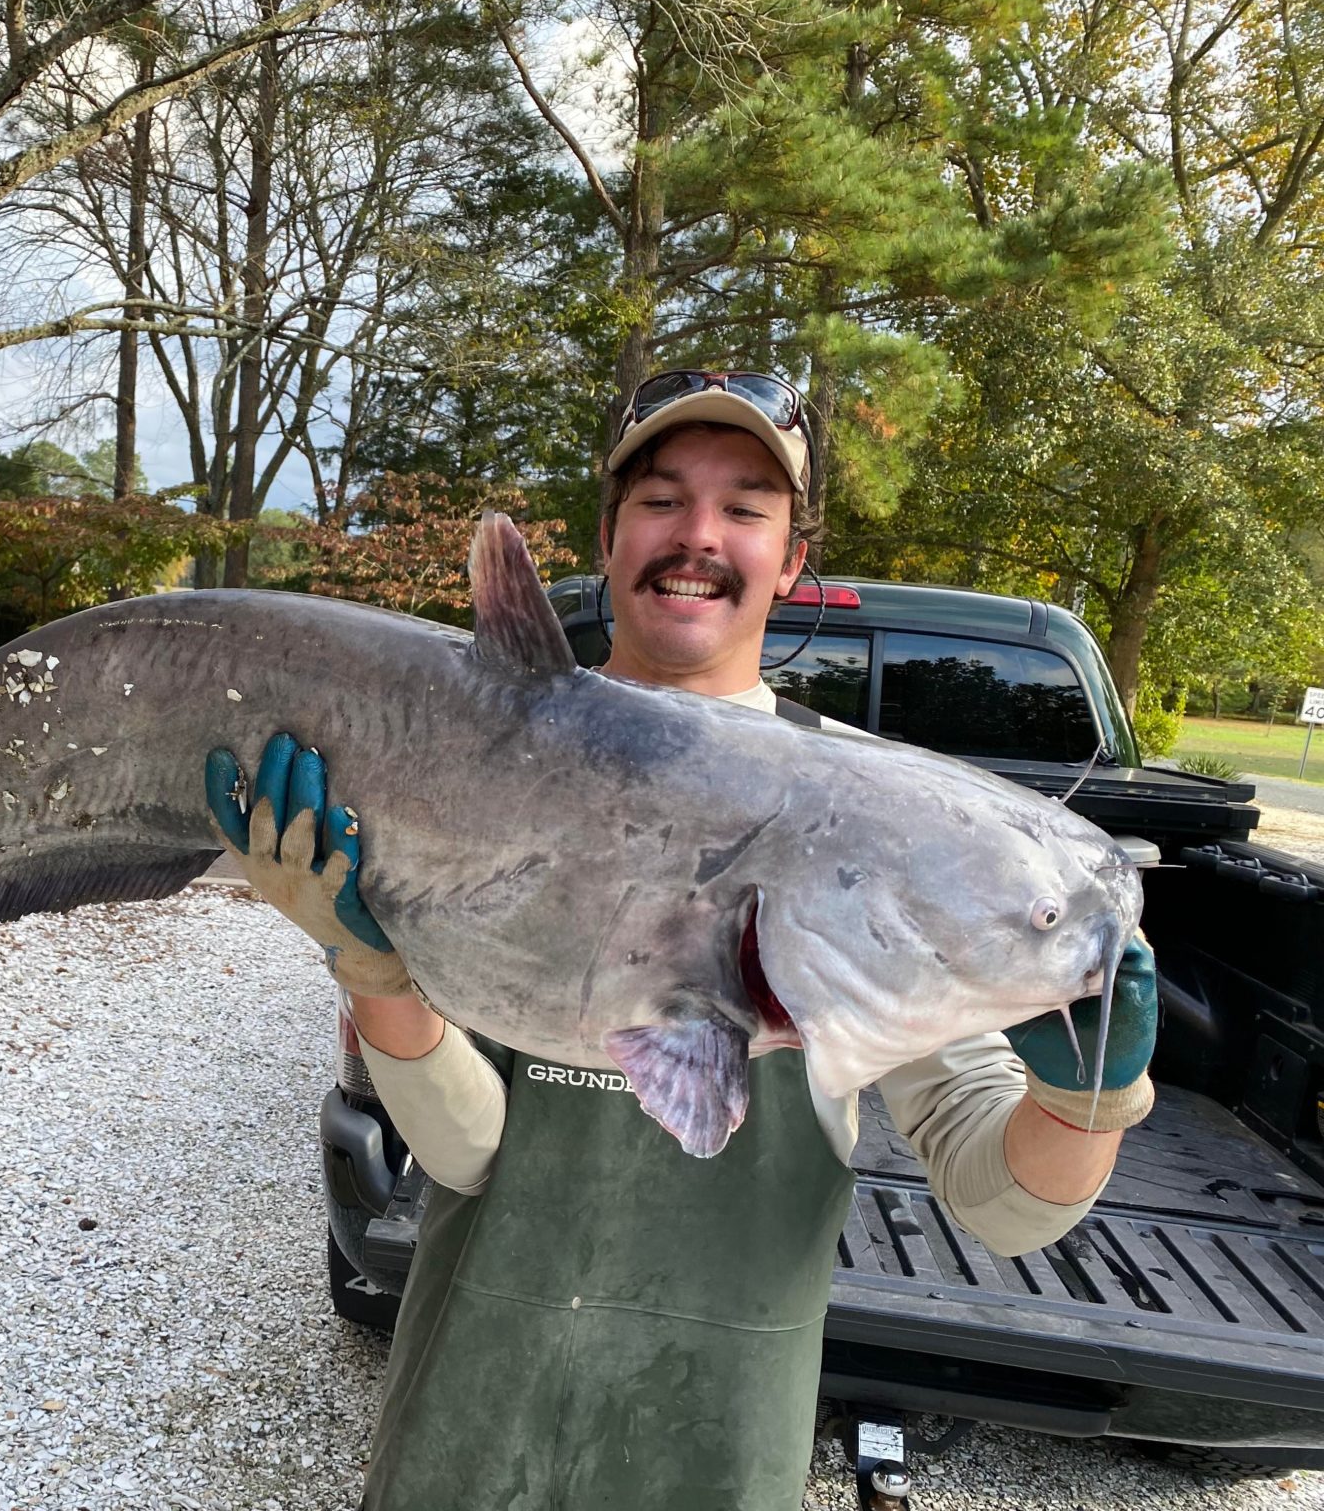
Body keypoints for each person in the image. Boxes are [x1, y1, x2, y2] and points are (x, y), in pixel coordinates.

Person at [207, 369, 1160, 1510]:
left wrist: (1090, 1096)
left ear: (789, 557)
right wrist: (369, 972)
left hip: (719, 1428)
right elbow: (461, 1158)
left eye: (746, 506)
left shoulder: (878, 843)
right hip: (471, 1398)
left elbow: (1004, 1209)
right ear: (607, 537)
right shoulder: (461, 766)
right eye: (660, 499)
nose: (698, 536)